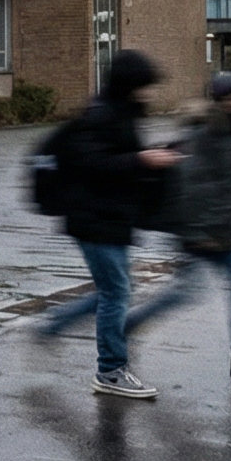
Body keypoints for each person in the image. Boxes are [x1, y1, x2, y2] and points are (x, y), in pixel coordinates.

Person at [36, 50, 185, 400]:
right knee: (116, 292)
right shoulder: (101, 114)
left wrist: (156, 154)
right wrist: (142, 159)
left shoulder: (121, 114)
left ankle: (57, 323)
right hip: (93, 219)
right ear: (129, 84)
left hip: (109, 218)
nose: (148, 93)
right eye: (144, 86)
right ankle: (111, 370)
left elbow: (116, 159)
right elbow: (90, 165)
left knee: (114, 290)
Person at [126, 72, 231, 381]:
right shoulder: (205, 133)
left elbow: (228, 182)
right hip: (200, 233)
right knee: (184, 294)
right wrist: (200, 233)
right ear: (226, 100)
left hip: (222, 231)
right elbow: (191, 186)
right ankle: (128, 326)